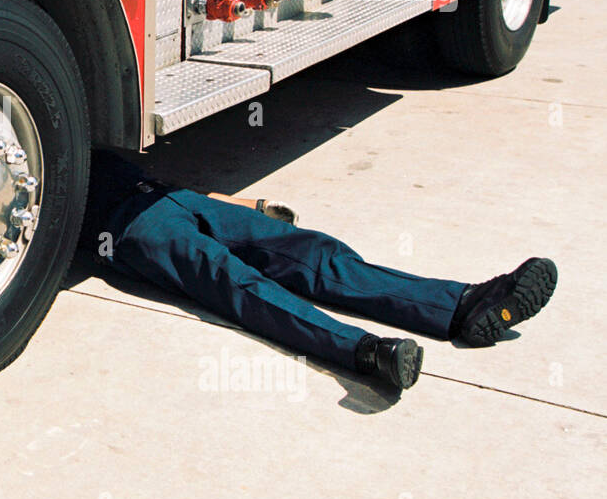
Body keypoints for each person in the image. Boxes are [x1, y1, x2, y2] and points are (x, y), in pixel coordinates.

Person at [82, 151, 558, 392]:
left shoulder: (74, 125)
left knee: (316, 254)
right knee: (243, 288)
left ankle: (463, 305)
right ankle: (365, 353)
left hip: (175, 198)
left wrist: (250, 206)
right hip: (132, 229)